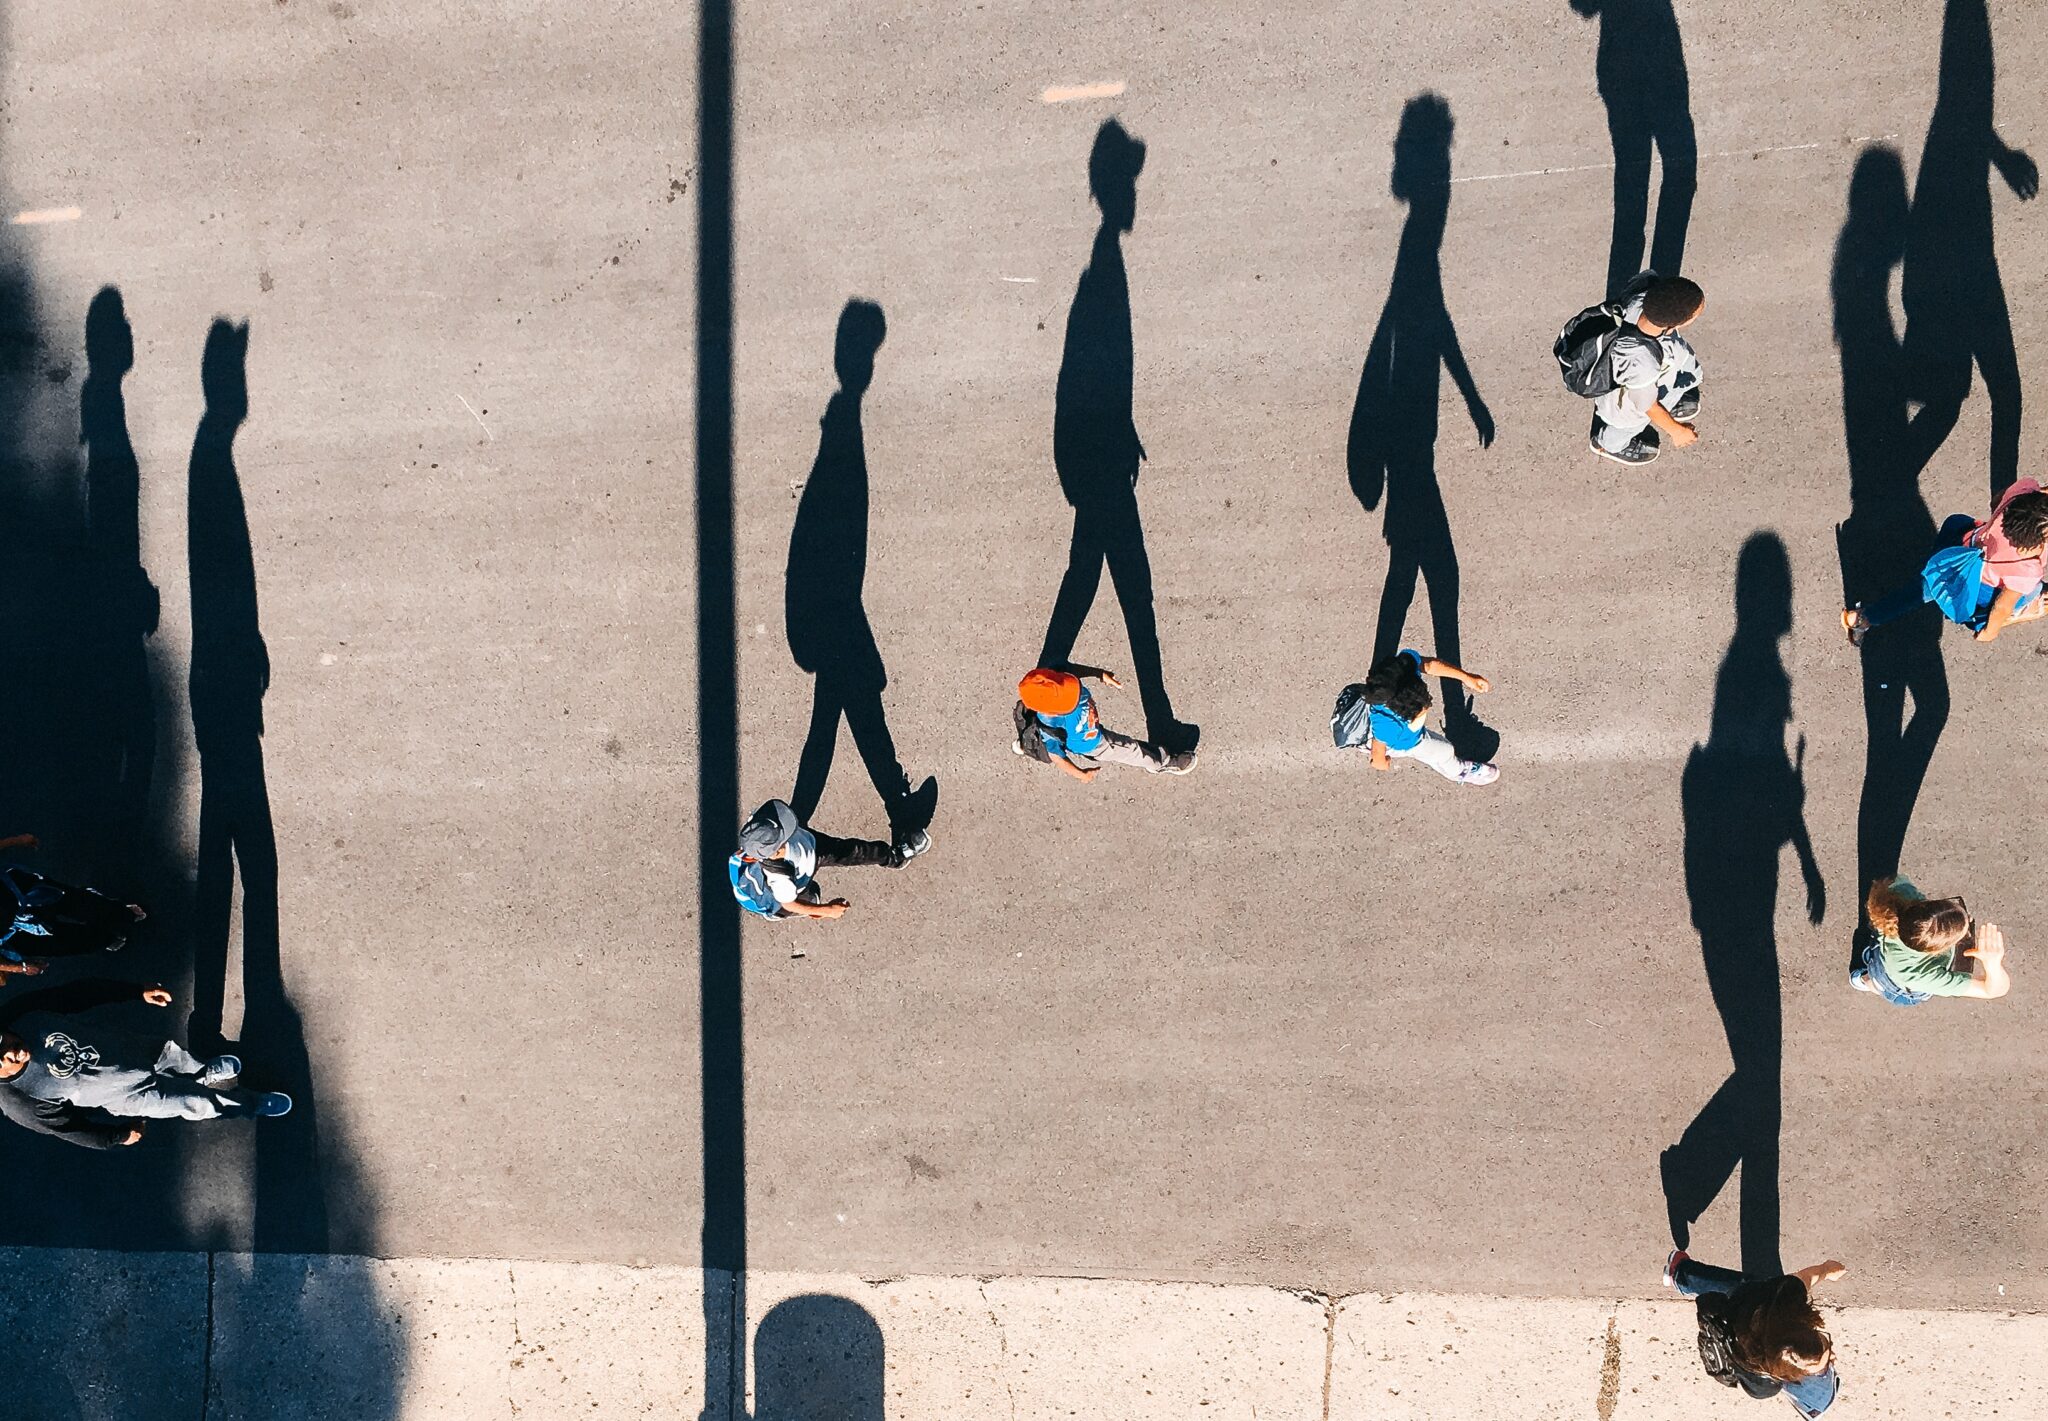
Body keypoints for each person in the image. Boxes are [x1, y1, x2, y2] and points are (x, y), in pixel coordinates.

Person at [0, 977, 290, 1148]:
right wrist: (118, 1135)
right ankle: (250, 1105)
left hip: (134, 1049)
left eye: (4, 1041)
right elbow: (69, 1129)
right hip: (131, 1097)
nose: (13, 1052)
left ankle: (204, 1071)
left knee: (179, 1057)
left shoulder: (21, 1013)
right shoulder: (18, 1100)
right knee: (198, 1104)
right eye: (2, 1060)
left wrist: (135, 991)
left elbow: (76, 994)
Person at [1842, 477, 2048, 644]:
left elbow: (1995, 500)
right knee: (2032, 591)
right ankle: (1866, 618)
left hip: (1964, 543)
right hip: (1970, 580)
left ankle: (1861, 618)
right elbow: (2003, 605)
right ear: (2032, 545)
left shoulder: (2024, 491)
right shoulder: (2028, 568)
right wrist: (1989, 632)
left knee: (1925, 584)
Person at [1664, 1250, 1843, 1418]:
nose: (1834, 1357)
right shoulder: (1762, 1387)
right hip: (1730, 1326)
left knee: (1741, 1284)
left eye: (1826, 1365)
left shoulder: (1785, 1297)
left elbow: (1806, 1278)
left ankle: (1680, 1274)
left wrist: (1826, 1269)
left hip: (1745, 1300)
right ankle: (1681, 1278)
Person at [728, 798, 929, 922]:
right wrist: (826, 911)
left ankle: (893, 857)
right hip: (807, 863)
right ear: (775, 851)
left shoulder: (759, 825)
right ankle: (781, 912)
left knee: (852, 850)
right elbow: (788, 902)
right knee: (800, 900)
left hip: (811, 842)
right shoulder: (779, 879)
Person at [1590, 271, 1706, 465]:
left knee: (1687, 376)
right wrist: (1678, 432)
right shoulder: (1640, 362)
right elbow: (1647, 406)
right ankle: (1607, 444)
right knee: (1628, 425)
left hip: (1663, 370)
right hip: (1630, 406)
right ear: (1676, 324)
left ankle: (1672, 400)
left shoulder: (1641, 298)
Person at [1014, 666, 1195, 782]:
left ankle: (1026, 745)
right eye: (1068, 700)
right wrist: (1081, 774)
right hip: (1094, 743)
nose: (1074, 692)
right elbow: (1056, 756)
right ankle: (1161, 762)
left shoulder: (1056, 681)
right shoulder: (1050, 723)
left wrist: (1098, 674)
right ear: (1051, 711)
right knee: (1129, 749)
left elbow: (1070, 670)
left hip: (1089, 729)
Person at [0, 833, 146, 973]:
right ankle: (104, 939)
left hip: (20, 891)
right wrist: (20, 968)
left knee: (73, 901)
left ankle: (119, 914)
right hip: (10, 931)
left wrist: (17, 841)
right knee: (59, 943)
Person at [1850, 876, 2010, 1004]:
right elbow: (1993, 991)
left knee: (1877, 966)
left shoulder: (1900, 894)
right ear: (1937, 950)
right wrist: (1993, 963)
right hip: (1897, 981)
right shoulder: (1924, 978)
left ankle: (1868, 973)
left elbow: (1895, 881)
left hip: (1888, 951)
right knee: (1885, 986)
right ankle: (1867, 981)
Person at [1352, 650, 1498, 785]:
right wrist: (1385, 761)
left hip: (1402, 732)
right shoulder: (1386, 726)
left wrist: (1466, 677)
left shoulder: (1404, 667)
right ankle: (1461, 772)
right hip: (1409, 743)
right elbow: (1378, 759)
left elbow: (1430, 665)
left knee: (1437, 753)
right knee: (1444, 752)